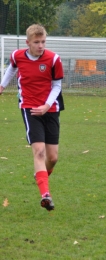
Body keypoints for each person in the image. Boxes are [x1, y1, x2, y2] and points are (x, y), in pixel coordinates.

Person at [0, 24, 64, 211]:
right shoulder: (17, 55)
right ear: (28, 43)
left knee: (52, 157)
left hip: (50, 109)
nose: (41, 46)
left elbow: (57, 86)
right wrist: (2, 85)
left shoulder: (54, 59)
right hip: (29, 108)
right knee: (39, 152)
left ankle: (41, 176)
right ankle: (45, 195)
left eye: (43, 41)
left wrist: (47, 105)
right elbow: (12, 69)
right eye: (36, 42)